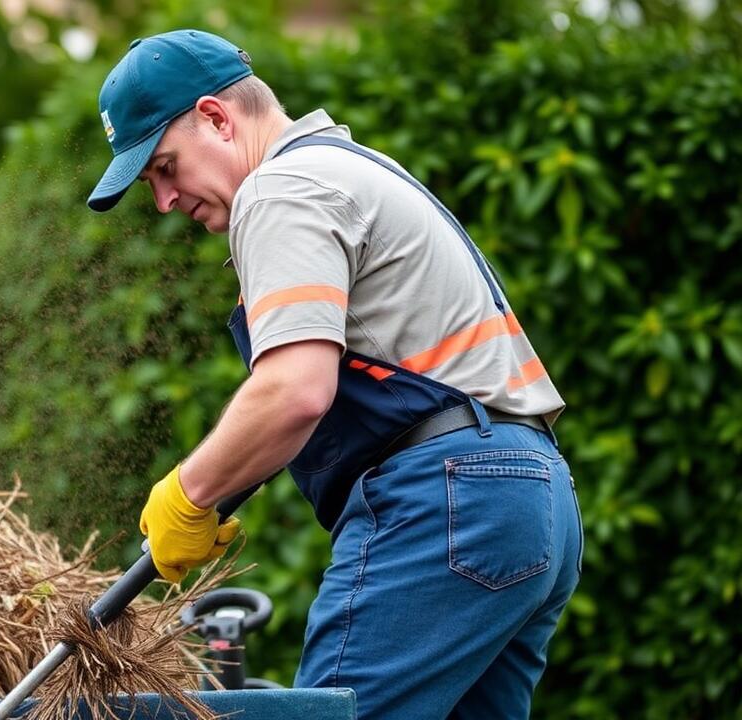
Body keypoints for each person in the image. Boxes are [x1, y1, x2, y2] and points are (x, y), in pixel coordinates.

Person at [85, 29, 583, 719]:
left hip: (448, 502)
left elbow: (295, 390)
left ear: (217, 118)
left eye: (165, 167)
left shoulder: (282, 190)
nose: (165, 199)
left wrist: (188, 495)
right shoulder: (348, 169)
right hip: (531, 500)